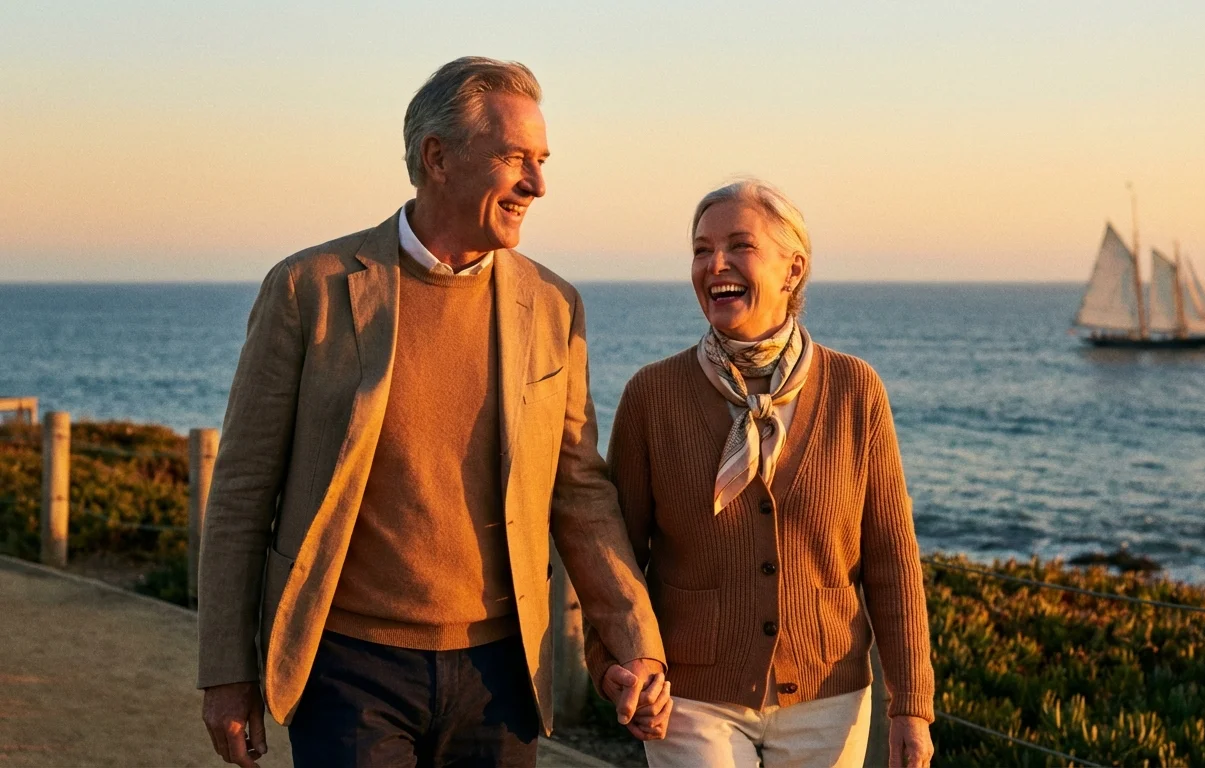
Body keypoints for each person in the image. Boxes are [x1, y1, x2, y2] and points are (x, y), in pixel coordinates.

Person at [196, 56, 671, 767]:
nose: (537, 184)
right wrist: (226, 672)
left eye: (541, 161)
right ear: (437, 157)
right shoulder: (308, 289)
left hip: (502, 675)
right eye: (514, 158)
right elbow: (242, 490)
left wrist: (636, 644)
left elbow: (579, 492)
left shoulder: (553, 305)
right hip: (348, 669)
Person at [586, 179, 936, 767]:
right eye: (701, 250)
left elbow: (891, 558)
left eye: (739, 246)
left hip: (830, 699)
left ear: (793, 269)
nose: (714, 264)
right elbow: (614, 556)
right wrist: (616, 665)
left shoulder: (855, 391)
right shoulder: (653, 395)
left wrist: (912, 706)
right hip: (689, 696)